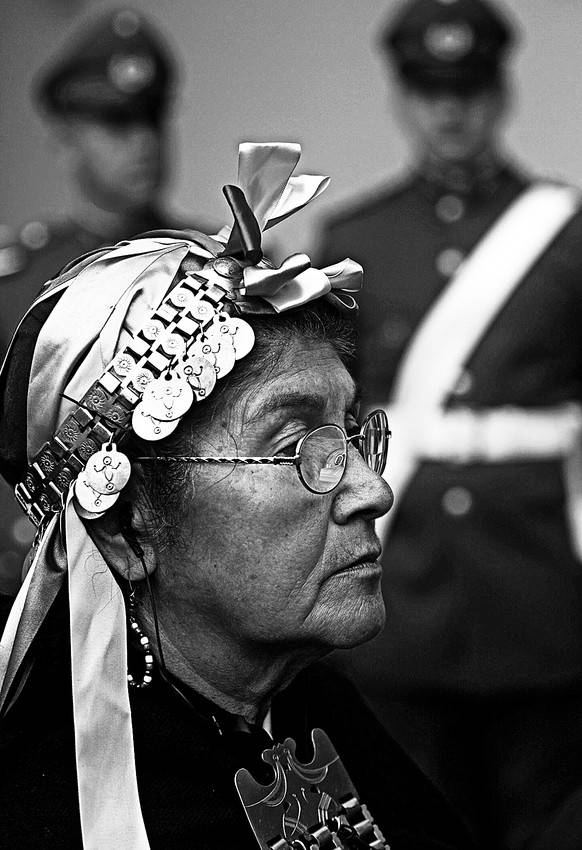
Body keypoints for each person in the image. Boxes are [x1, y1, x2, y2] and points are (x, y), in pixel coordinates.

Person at [0, 143, 473, 849]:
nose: (372, 491)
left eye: (350, 433)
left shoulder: (318, 710)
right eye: (292, 450)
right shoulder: (61, 806)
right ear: (128, 531)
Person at [318, 1, 582, 848]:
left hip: (541, 601)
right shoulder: (354, 239)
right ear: (402, 97)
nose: (451, 108)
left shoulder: (566, 235)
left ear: (500, 92)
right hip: (404, 603)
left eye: (468, 86)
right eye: (431, 88)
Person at [0, 8, 203, 600]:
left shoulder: (214, 265)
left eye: (152, 121)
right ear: (66, 136)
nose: (143, 144)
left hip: (176, 584)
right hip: (37, 577)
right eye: (117, 125)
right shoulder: (16, 283)